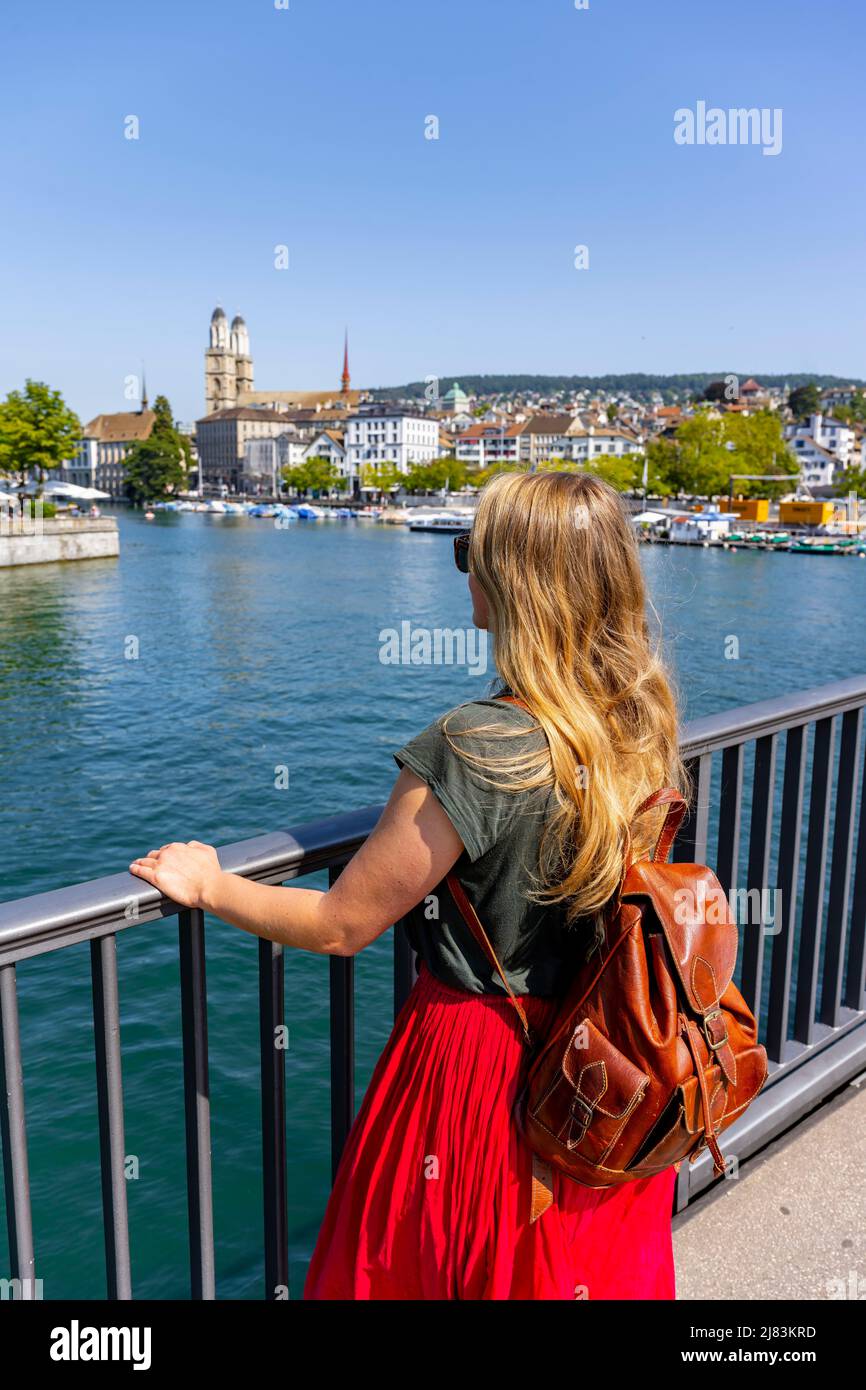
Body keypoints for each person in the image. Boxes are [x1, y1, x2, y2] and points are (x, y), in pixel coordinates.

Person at [129, 470, 685, 1300]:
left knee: (433, 1260)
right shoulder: (639, 722)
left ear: (513, 579)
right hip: (610, 1061)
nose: (461, 568)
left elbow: (340, 924)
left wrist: (211, 885)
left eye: (469, 551)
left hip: (482, 1065)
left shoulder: (479, 744)